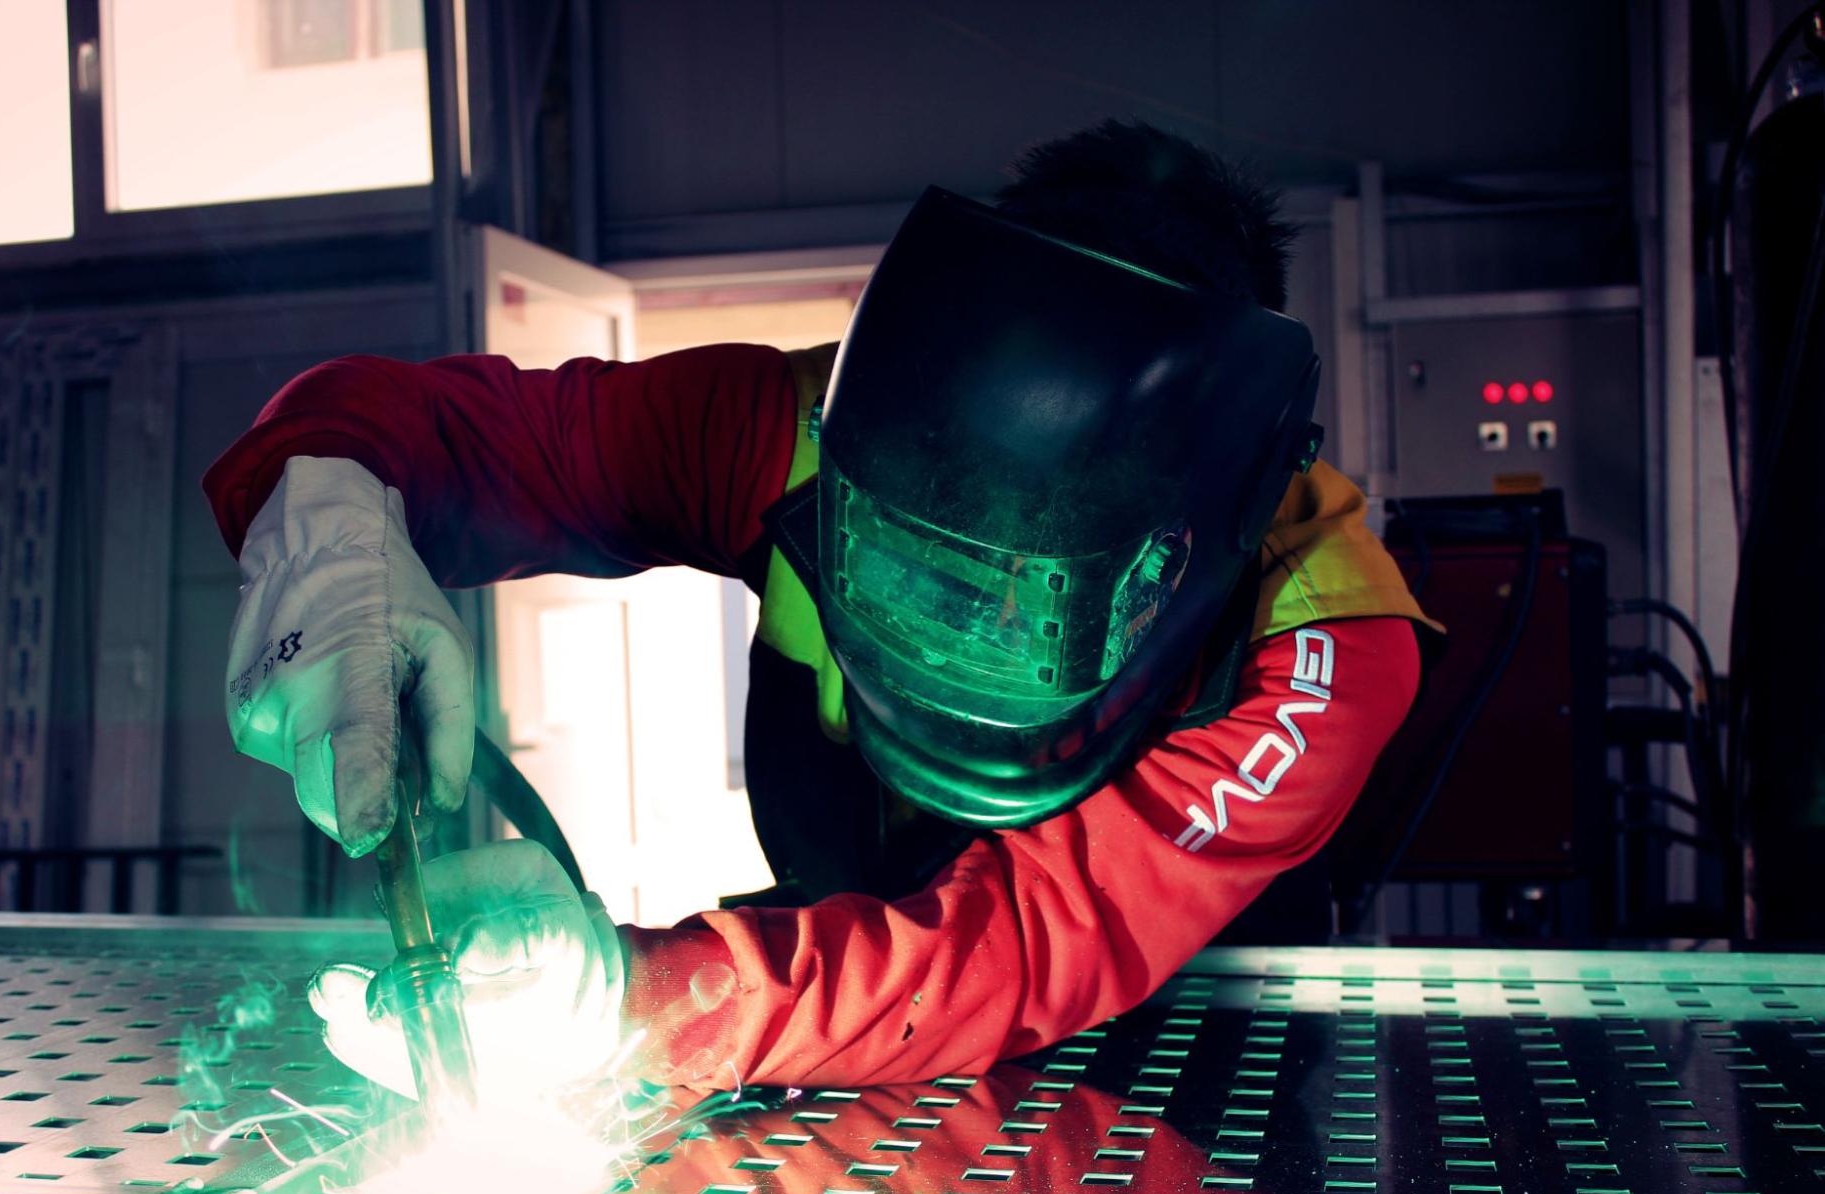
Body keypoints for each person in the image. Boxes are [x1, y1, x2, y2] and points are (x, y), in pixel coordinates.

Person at [205, 121, 1435, 1096]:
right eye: (935, 555)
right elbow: (463, 433)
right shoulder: (801, 434)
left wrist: (637, 1001)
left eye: (1040, 593)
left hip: (1179, 1078)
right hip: (826, 1019)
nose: (984, 622)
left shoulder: (1322, 638)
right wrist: (326, 516)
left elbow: (1022, 939)